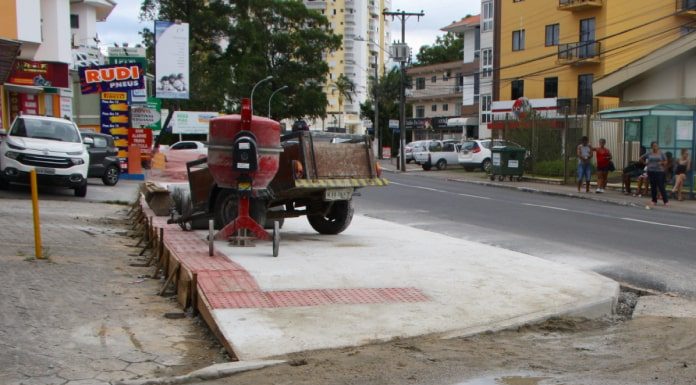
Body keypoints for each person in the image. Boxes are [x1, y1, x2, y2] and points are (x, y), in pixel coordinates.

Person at [640, 141, 669, 206]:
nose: (655, 147)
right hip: (651, 171)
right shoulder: (649, 153)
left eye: (656, 146)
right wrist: (645, 163)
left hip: (659, 172)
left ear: (658, 146)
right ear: (651, 147)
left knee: (661, 186)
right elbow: (641, 158)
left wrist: (661, 163)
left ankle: (665, 201)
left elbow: (666, 161)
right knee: (653, 186)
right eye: (653, 146)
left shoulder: (661, 153)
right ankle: (654, 200)